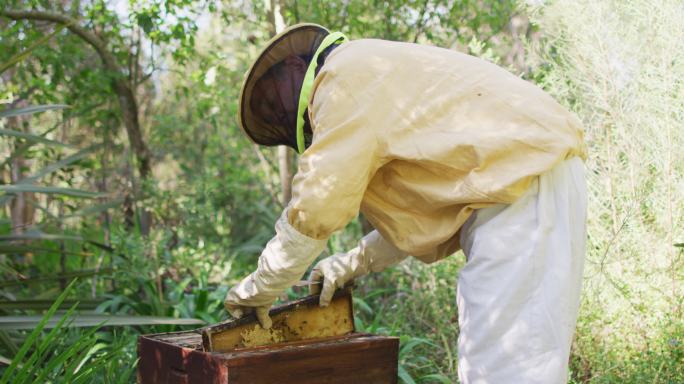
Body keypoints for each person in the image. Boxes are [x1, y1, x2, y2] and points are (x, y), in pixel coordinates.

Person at [224, 23, 587, 384]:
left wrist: (263, 284)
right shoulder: (367, 73)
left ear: (293, 67)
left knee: (503, 369)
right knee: (504, 363)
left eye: (273, 103)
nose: (279, 116)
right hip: (519, 182)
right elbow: (425, 214)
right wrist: (355, 261)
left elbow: (316, 206)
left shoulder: (343, 80)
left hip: (521, 184)